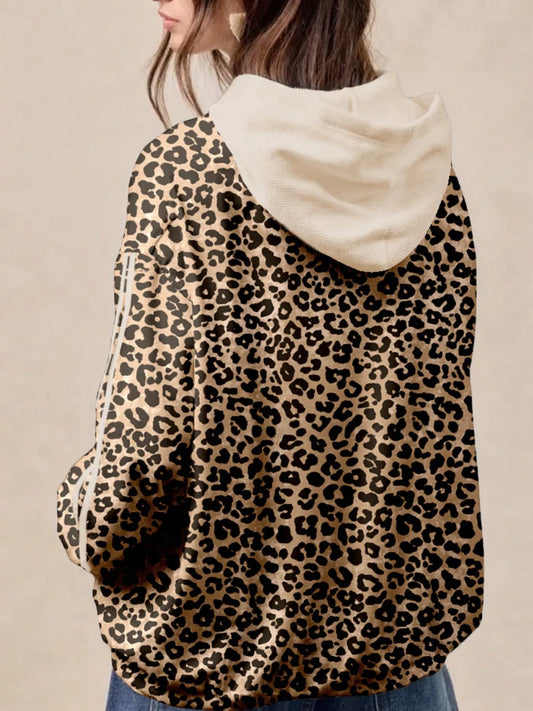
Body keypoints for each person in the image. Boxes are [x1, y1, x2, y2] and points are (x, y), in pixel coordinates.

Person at [55, 2, 484, 710]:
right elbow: (434, 437)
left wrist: (80, 514)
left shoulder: (186, 174)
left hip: (209, 661)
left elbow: (138, 456)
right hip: (395, 666)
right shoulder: (431, 178)